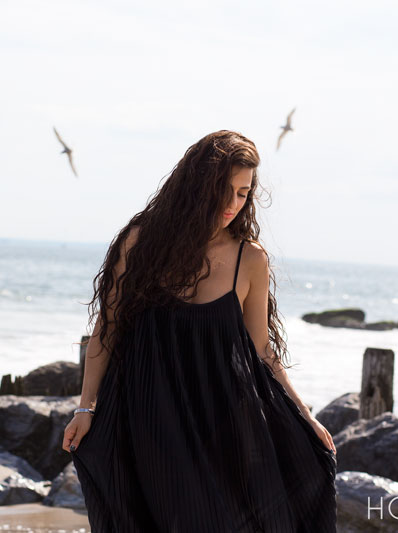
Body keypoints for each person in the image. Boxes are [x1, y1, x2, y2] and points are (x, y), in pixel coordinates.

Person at [62, 130, 338, 532]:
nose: (232, 204)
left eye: (243, 193)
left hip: (219, 419)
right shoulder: (141, 242)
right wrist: (87, 408)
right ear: (196, 185)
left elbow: (261, 351)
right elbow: (108, 327)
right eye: (223, 190)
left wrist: (304, 415)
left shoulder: (250, 259)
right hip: (147, 414)